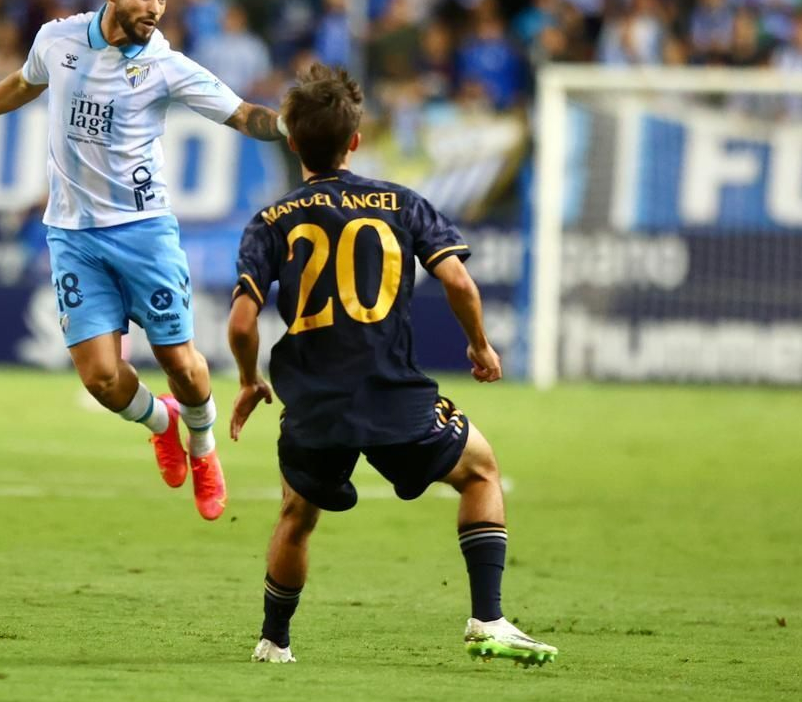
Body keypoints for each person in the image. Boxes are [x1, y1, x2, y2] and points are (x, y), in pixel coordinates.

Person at [0, 0, 286, 520]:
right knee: (102, 379)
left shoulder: (167, 65)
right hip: (71, 233)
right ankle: (164, 423)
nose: (156, 8)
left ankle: (204, 447)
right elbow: (21, 84)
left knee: (183, 365)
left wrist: (293, 124)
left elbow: (243, 115)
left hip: (144, 231)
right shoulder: (56, 40)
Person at [225, 64, 558, 666]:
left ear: (292, 141)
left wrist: (250, 381)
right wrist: (480, 345)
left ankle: (274, 641)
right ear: (356, 140)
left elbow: (242, 323)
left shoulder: (270, 220)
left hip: (315, 402)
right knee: (480, 473)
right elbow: (458, 279)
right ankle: (488, 618)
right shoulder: (402, 202)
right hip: (393, 393)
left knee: (297, 515)